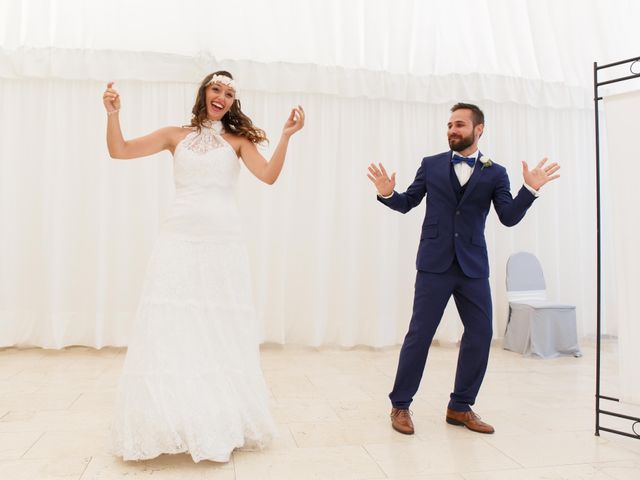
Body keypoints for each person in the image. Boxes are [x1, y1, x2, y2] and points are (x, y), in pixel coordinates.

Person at [104, 71, 305, 462]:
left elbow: (267, 176)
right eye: (217, 89)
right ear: (204, 92)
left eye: (230, 93)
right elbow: (120, 150)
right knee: (173, 325)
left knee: (218, 326)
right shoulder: (173, 135)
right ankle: (171, 418)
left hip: (223, 243)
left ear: (233, 102)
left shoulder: (238, 141)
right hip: (178, 238)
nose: (223, 97)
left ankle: (218, 417)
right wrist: (113, 114)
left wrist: (285, 137)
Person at [367, 102, 559, 435]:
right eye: (449, 125)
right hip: (434, 264)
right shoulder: (431, 165)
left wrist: (530, 189)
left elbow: (509, 217)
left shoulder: (495, 172)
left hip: (472, 266)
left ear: (478, 129)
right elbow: (408, 202)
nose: (452, 130)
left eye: (459, 125)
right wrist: (387, 194)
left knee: (481, 334)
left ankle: (460, 406)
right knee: (420, 335)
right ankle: (400, 405)